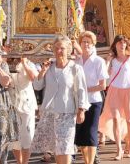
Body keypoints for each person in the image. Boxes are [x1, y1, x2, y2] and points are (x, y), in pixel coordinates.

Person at [31, 36, 90, 164]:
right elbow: (37, 86)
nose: (59, 51)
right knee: (56, 147)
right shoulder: (49, 67)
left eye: (62, 48)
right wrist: (42, 71)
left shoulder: (75, 68)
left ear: (68, 50)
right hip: (50, 112)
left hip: (67, 112)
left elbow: (81, 90)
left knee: (66, 146)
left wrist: (81, 110)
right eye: (56, 48)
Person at [98, 35, 130, 160]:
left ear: (126, 45)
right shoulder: (113, 60)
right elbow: (104, 74)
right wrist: (108, 60)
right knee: (115, 119)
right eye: (119, 43)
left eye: (123, 43)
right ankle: (119, 149)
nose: (122, 45)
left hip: (129, 91)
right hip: (114, 91)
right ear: (115, 45)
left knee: (129, 120)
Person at [73, 31, 108, 164]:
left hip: (93, 101)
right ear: (80, 44)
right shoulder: (76, 60)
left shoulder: (98, 61)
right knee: (81, 133)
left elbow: (102, 85)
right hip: (79, 102)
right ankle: (87, 160)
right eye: (83, 41)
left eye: (89, 42)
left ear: (93, 44)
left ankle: (91, 161)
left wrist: (85, 89)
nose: (86, 44)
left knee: (91, 132)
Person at [10, 57, 39, 164]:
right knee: (14, 136)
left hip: (27, 104)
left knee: (27, 135)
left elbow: (33, 77)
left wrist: (24, 63)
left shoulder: (29, 63)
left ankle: (25, 162)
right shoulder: (6, 63)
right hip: (12, 104)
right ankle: (19, 161)